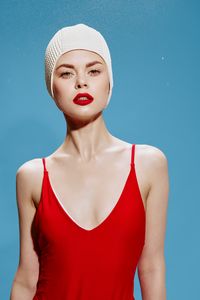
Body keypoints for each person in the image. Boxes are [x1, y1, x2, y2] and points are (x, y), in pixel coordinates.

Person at [10, 23, 169, 300]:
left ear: (109, 81)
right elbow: (26, 278)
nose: (81, 82)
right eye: (66, 73)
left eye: (94, 70)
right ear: (52, 88)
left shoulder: (148, 164)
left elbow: (152, 268)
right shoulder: (32, 176)